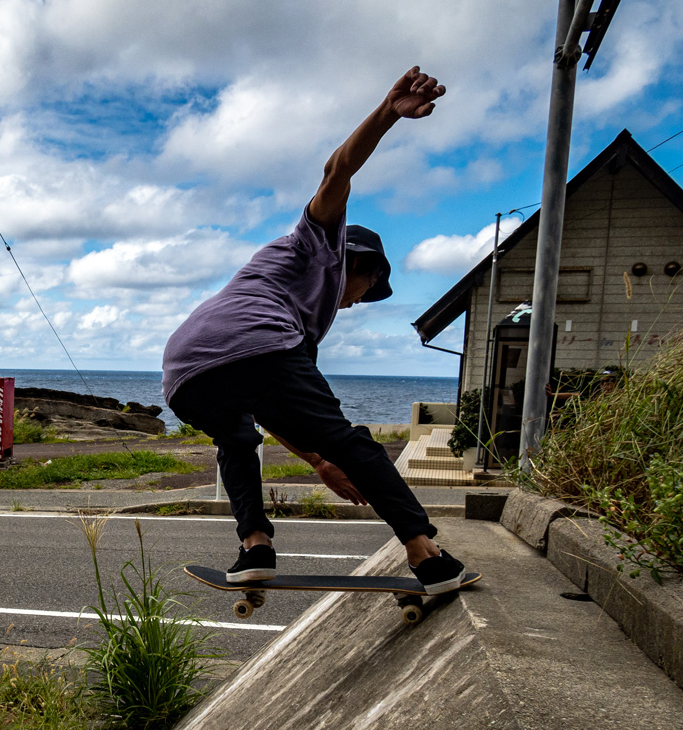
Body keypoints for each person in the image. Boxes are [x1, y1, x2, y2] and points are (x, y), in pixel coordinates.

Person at [162, 66, 468, 594]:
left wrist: (318, 461)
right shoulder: (317, 243)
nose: (358, 301)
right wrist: (388, 113)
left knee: (237, 441)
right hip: (257, 344)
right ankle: (427, 555)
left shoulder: (290, 306)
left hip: (185, 370)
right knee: (356, 444)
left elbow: (267, 404)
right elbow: (337, 170)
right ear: (360, 263)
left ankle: (255, 548)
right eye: (367, 288)